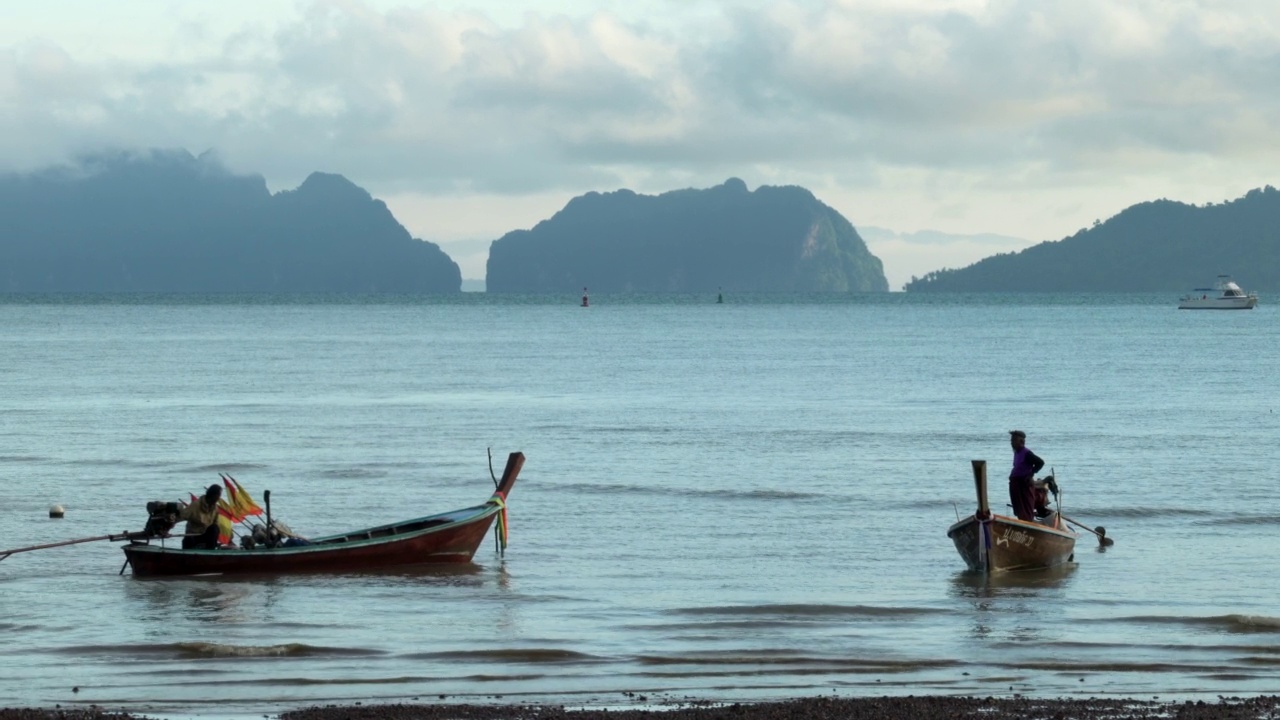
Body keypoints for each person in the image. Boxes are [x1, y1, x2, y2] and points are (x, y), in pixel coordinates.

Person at [1008, 430, 1045, 521]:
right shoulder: (1016, 452)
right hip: (1016, 484)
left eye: (1014, 440)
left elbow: (1040, 462)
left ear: (1021, 442)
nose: (1011, 443)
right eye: (1011, 441)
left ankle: (1028, 525)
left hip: (1024, 484)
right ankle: (1022, 523)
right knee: (1019, 509)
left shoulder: (1027, 453)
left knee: (1026, 509)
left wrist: (1031, 474)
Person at [179, 484, 222, 549]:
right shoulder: (196, 505)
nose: (219, 498)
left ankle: (211, 552)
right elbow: (181, 516)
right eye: (218, 495)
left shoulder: (215, 508)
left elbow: (216, 524)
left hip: (205, 536)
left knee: (215, 528)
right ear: (213, 495)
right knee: (188, 540)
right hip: (193, 535)